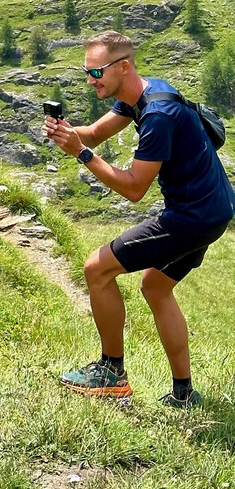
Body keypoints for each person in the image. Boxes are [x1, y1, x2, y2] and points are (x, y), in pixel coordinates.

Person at [44, 31, 235, 408]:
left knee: (96, 269)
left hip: (192, 217)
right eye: (87, 72)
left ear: (123, 66)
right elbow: (95, 134)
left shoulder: (158, 116)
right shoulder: (140, 95)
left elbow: (134, 189)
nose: (89, 80)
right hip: (215, 210)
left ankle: (111, 373)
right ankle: (184, 394)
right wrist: (68, 135)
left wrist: (81, 155)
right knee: (156, 287)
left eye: (96, 73)